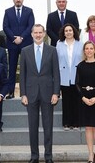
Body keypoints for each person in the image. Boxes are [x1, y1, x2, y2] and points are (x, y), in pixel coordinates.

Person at [20, 24, 60, 163]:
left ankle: (48, 156)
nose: (37, 35)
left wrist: (56, 93)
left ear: (44, 34)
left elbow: (56, 73)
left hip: (48, 93)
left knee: (48, 127)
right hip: (30, 94)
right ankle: (34, 156)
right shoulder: (25, 51)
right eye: (35, 32)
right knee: (33, 127)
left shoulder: (52, 50)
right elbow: (22, 75)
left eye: (40, 32)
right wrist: (23, 94)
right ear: (31, 34)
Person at [76, 41, 95, 163]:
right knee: (88, 128)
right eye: (86, 48)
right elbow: (77, 83)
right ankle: (90, 154)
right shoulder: (80, 66)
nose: (88, 50)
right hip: (84, 98)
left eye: (91, 48)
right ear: (84, 51)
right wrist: (83, 98)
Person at [3, 0, 35, 99]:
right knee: (12, 69)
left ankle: (26, 92)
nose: (18, 0)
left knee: (27, 68)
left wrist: (21, 37)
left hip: (26, 43)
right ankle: (11, 91)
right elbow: (5, 27)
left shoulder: (29, 11)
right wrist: (13, 38)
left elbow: (31, 25)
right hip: (12, 44)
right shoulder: (8, 12)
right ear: (13, 0)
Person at [55, 23, 83, 130]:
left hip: (77, 75)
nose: (68, 32)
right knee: (66, 101)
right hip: (64, 76)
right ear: (63, 33)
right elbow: (57, 60)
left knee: (76, 100)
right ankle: (66, 123)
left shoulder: (80, 44)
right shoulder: (59, 44)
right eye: (66, 31)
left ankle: (76, 123)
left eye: (70, 30)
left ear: (74, 31)